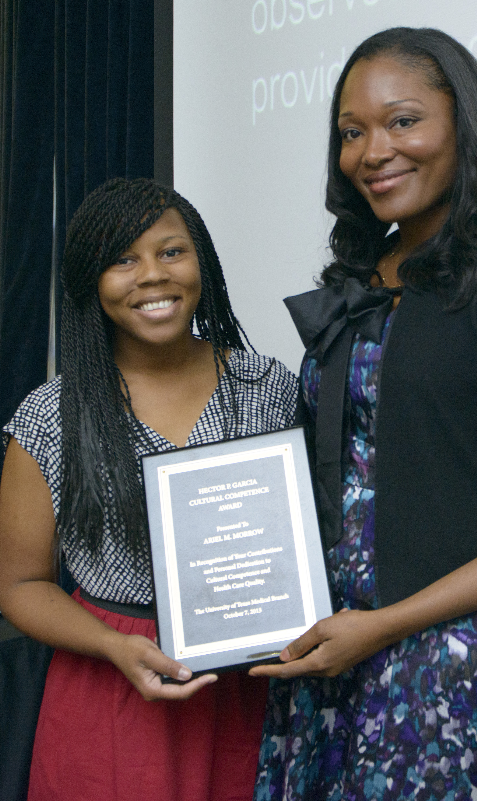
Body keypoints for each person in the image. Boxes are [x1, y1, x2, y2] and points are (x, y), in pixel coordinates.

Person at [249, 27, 477, 800]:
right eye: (352, 132)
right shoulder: (358, 278)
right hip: (332, 649)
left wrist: (386, 624)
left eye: (403, 120)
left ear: (461, 124)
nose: (374, 150)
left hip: (453, 661)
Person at [0, 178, 297, 801]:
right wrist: (114, 647)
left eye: (171, 251)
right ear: (91, 281)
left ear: (201, 264)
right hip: (108, 683)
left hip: (249, 686)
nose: (153, 276)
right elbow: (18, 586)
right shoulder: (51, 416)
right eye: (123, 259)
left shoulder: (267, 387)